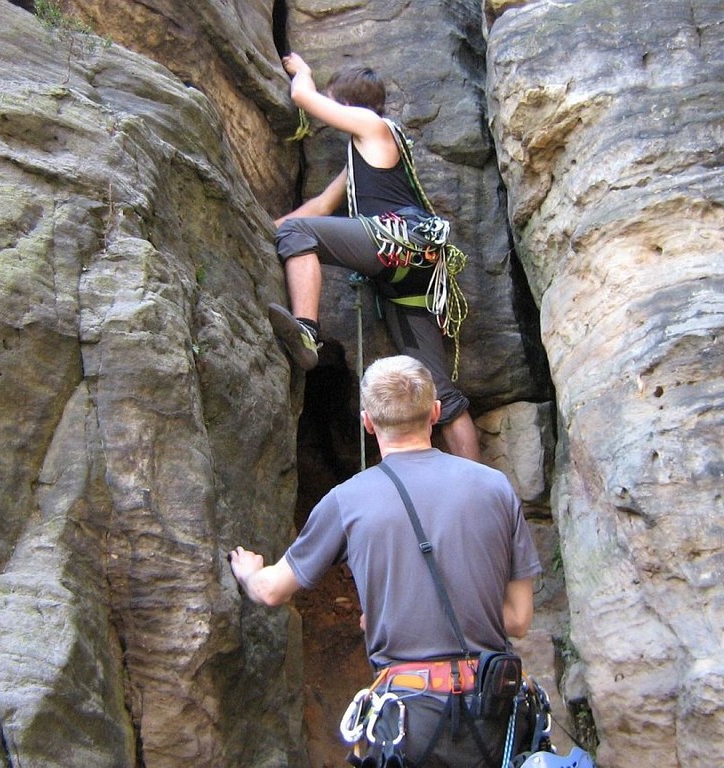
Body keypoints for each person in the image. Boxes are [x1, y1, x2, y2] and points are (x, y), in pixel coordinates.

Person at [230, 355, 542, 767]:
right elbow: (519, 619)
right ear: (435, 412)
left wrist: (250, 573)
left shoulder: (347, 500)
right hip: (491, 714)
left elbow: (271, 591)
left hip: (406, 718)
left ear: (367, 422)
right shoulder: (494, 487)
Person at [269, 53, 481, 461]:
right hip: (411, 270)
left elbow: (305, 99)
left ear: (347, 106)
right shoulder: (364, 155)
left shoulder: (375, 125)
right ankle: (480, 483)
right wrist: (270, 226)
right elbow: (317, 209)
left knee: (300, 235)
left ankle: (306, 332)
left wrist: (304, 75)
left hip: (398, 241)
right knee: (438, 388)